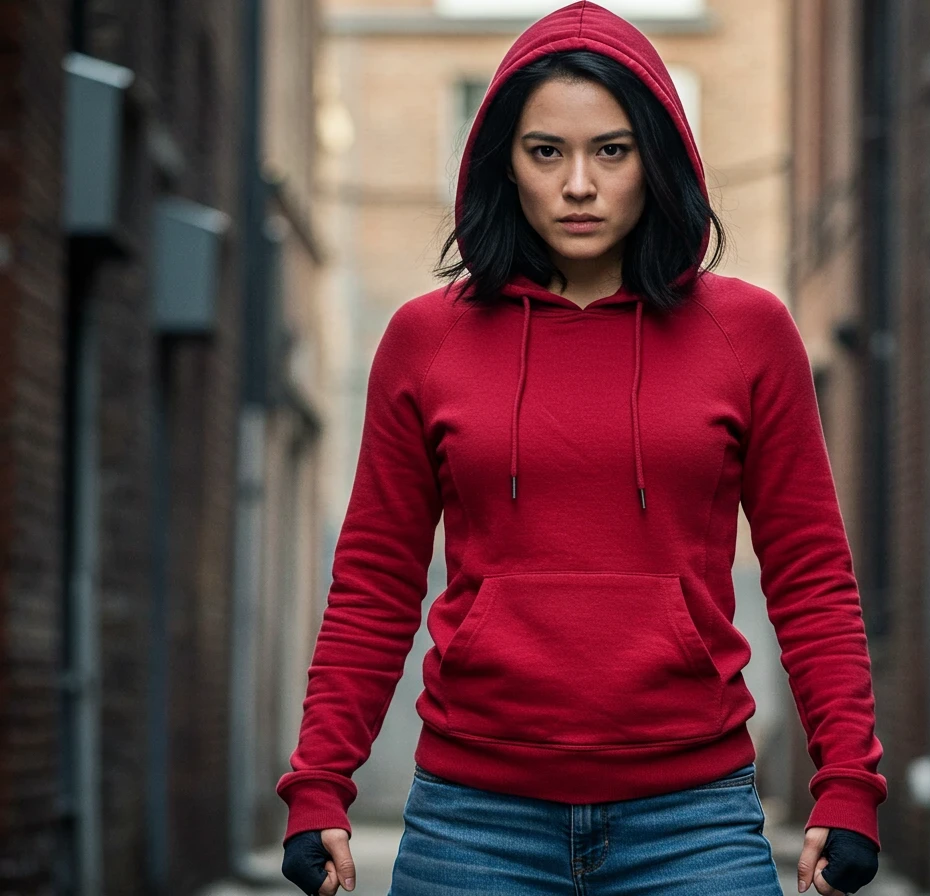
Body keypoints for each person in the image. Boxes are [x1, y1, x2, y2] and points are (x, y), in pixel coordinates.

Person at [277, 2, 886, 894]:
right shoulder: (426, 340)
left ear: (657, 158)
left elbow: (810, 573)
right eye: (545, 151)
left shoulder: (749, 333)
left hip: (692, 821)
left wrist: (849, 781)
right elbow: (374, 580)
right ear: (505, 162)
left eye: (611, 150)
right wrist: (319, 781)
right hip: (472, 821)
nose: (578, 185)